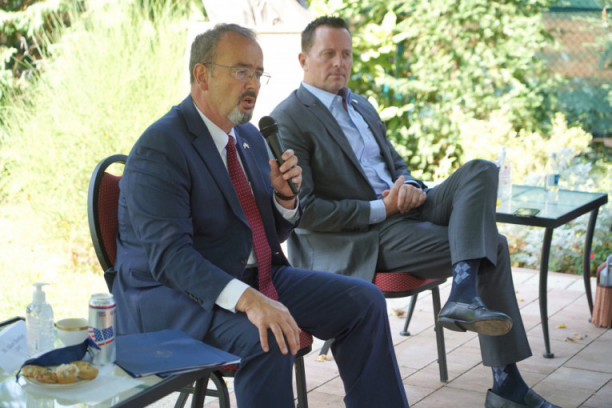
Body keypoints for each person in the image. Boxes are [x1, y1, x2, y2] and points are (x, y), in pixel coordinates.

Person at [112, 23, 409, 408]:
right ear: (202, 75)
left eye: (257, 73)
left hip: (255, 277)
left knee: (363, 300)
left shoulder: (250, 137)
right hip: (177, 301)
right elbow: (171, 258)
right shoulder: (162, 147)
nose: (252, 83)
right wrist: (250, 300)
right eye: (241, 71)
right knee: (266, 336)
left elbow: (264, 233)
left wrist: (285, 199)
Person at [271, 16, 561, 408]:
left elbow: (396, 163)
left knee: (481, 170)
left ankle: (462, 292)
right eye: (329, 54)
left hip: (405, 211)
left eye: (347, 54)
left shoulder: (360, 105)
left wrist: (409, 185)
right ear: (304, 59)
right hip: (362, 237)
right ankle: (506, 384)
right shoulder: (290, 117)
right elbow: (305, 211)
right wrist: (382, 207)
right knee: (493, 246)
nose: (340, 63)